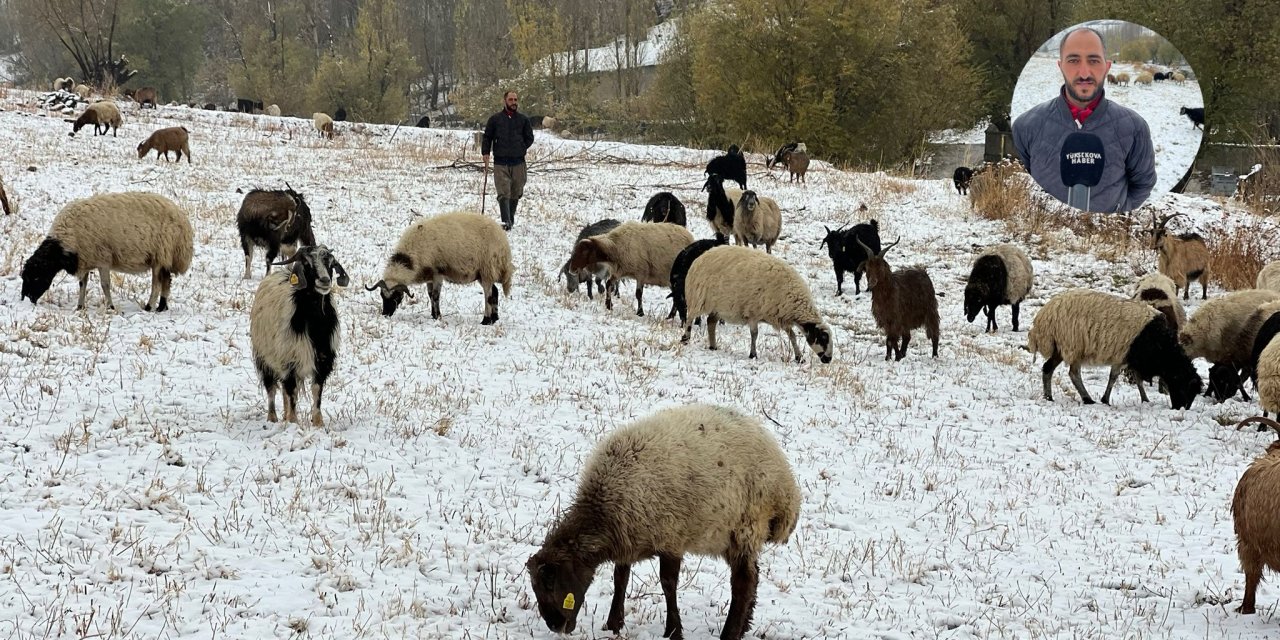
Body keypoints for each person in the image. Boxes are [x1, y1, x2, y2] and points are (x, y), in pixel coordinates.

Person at [1012, 27, 1156, 212]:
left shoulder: (1135, 127)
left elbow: (1143, 184)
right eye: (1073, 60)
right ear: (1060, 66)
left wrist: (1114, 216)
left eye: (1094, 60)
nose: (1084, 73)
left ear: (1107, 67)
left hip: (1105, 238)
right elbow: (1021, 182)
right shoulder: (1026, 126)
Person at [482, 91, 535, 231]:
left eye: (515, 99)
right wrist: (486, 152)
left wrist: (521, 147)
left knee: (516, 191)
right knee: (503, 192)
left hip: (518, 162)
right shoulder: (495, 119)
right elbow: (487, 137)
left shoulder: (523, 120)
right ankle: (506, 222)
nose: (513, 102)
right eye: (510, 99)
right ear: (504, 101)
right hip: (500, 162)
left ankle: (511, 217)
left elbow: (530, 137)